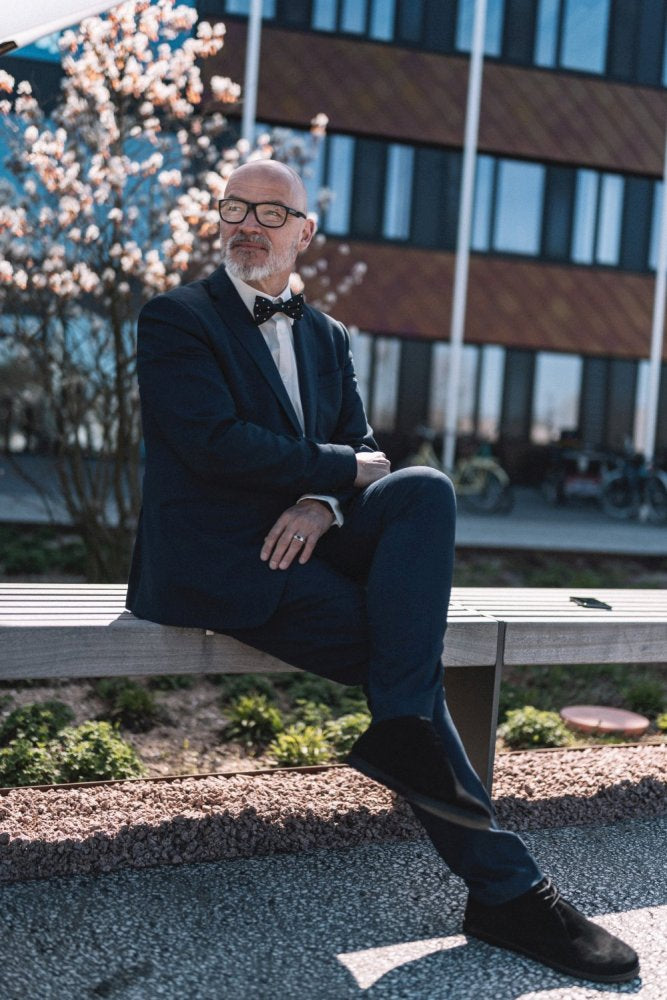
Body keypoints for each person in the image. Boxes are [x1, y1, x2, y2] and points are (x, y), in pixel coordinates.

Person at [126, 159, 638, 984]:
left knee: (423, 491)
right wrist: (333, 477)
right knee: (403, 658)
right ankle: (505, 889)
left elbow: (371, 458)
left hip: (305, 544)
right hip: (217, 563)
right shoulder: (176, 317)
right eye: (233, 208)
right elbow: (213, 444)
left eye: (270, 211)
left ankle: (410, 744)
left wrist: (321, 505)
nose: (247, 224)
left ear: (304, 233)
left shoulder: (326, 335)